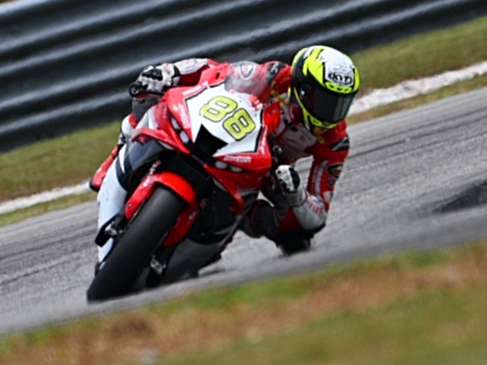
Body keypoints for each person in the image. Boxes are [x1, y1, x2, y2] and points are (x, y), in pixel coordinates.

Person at [90, 45, 360, 268]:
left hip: (265, 171)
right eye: (326, 101)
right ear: (303, 89)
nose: (332, 113)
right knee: (149, 95)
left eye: (341, 103)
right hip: (226, 136)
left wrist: (296, 193)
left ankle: (218, 235)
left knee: (297, 235)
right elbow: (215, 70)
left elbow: (318, 213)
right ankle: (121, 152)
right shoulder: (274, 76)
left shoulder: (335, 140)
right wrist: (169, 72)